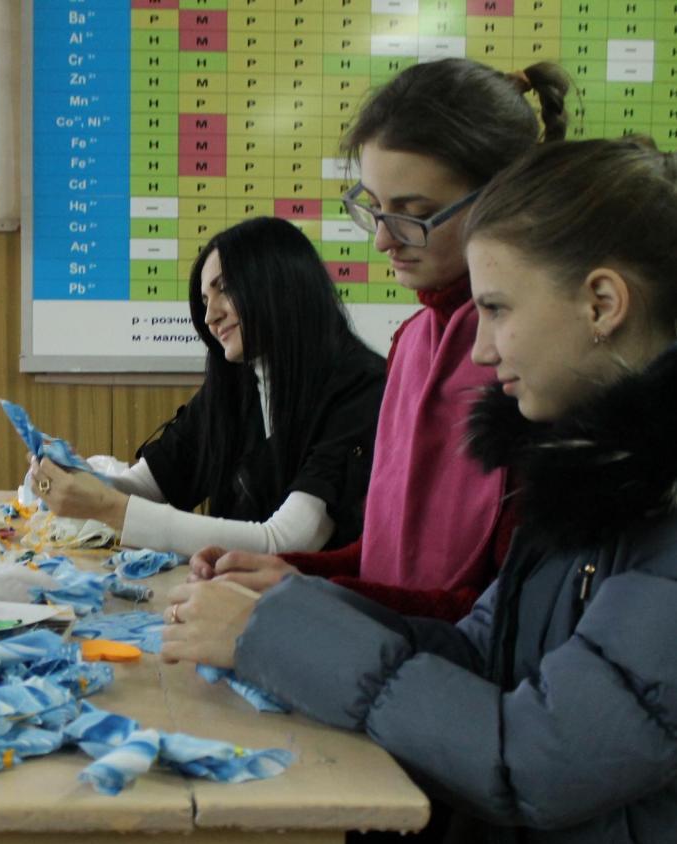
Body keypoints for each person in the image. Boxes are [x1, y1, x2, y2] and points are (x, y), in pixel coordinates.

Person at [163, 136, 677, 844]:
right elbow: (479, 650)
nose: (481, 348)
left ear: (603, 304)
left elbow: (536, 759)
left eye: (497, 309)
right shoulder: (585, 476)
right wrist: (301, 605)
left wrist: (275, 635)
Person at [189, 58, 571, 623]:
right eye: (373, 207)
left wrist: (308, 594)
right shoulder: (412, 342)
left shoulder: (539, 364)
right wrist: (285, 572)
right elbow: (388, 558)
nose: (384, 241)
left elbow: (498, 622)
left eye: (415, 214)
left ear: (502, 199)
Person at [28, 215, 385, 557]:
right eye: (204, 301)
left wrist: (107, 506)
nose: (210, 316)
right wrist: (77, 479)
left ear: (281, 283)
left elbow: (288, 542)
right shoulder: (236, 382)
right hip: (233, 588)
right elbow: (149, 487)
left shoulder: (359, 387)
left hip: (315, 595)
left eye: (224, 289)